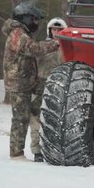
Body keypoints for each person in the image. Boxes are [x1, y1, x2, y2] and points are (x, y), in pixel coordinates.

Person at [2, 0, 59, 162]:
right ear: (25, 18)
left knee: (31, 113)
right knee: (20, 117)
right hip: (18, 82)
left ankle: (28, 149)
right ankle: (16, 153)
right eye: (34, 19)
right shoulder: (17, 34)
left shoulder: (19, 33)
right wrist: (55, 44)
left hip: (25, 81)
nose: (35, 23)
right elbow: (32, 49)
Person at [31, 17, 67, 151]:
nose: (56, 32)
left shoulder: (69, 48)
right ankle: (37, 149)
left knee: (57, 120)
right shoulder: (41, 46)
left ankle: (54, 149)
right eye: (54, 29)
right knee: (36, 118)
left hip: (60, 88)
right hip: (41, 86)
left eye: (59, 29)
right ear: (49, 30)